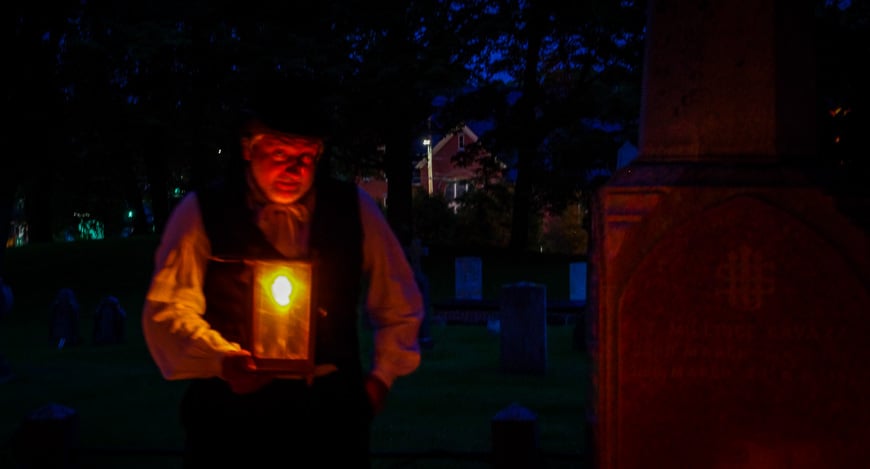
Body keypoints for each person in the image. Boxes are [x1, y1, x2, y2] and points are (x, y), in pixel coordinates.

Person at [141, 77, 424, 468]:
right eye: (279, 152)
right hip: (229, 429)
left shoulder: (354, 209)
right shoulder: (202, 212)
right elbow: (165, 312)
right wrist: (222, 360)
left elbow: (400, 302)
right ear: (248, 147)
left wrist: (380, 380)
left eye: (306, 155)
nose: (295, 167)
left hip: (330, 430)